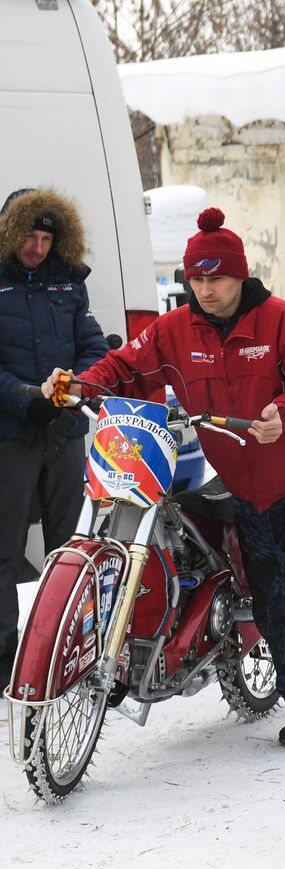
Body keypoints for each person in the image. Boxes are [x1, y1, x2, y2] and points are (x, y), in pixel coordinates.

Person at [43, 208, 285, 745]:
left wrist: (283, 414)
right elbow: (123, 367)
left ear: (240, 274)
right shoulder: (172, 331)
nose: (207, 289)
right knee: (269, 596)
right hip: (248, 486)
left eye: (217, 277)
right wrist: (80, 385)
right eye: (198, 278)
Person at [0, 188, 108, 690]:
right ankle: (4, 656)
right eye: (29, 235)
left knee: (70, 549)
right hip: (11, 434)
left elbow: (90, 344)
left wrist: (78, 383)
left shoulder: (70, 283)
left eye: (46, 238)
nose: (37, 247)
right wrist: (27, 396)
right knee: (5, 550)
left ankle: (67, 651)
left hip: (65, 432)